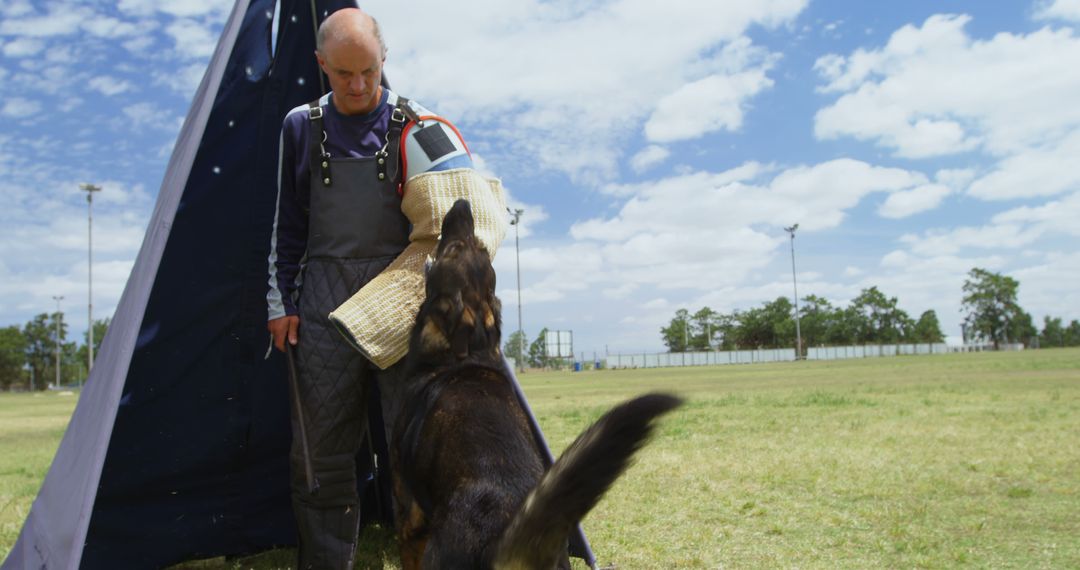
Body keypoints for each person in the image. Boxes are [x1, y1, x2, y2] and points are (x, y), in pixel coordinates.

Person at [265, 8, 412, 569]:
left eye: (369, 72)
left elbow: (446, 213)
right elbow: (285, 225)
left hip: (398, 293)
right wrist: (280, 304)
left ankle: (427, 548)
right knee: (322, 448)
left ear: (384, 61)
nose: (357, 86)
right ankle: (328, 560)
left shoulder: (416, 123)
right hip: (324, 297)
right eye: (343, 73)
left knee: (414, 436)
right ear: (321, 64)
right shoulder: (299, 125)